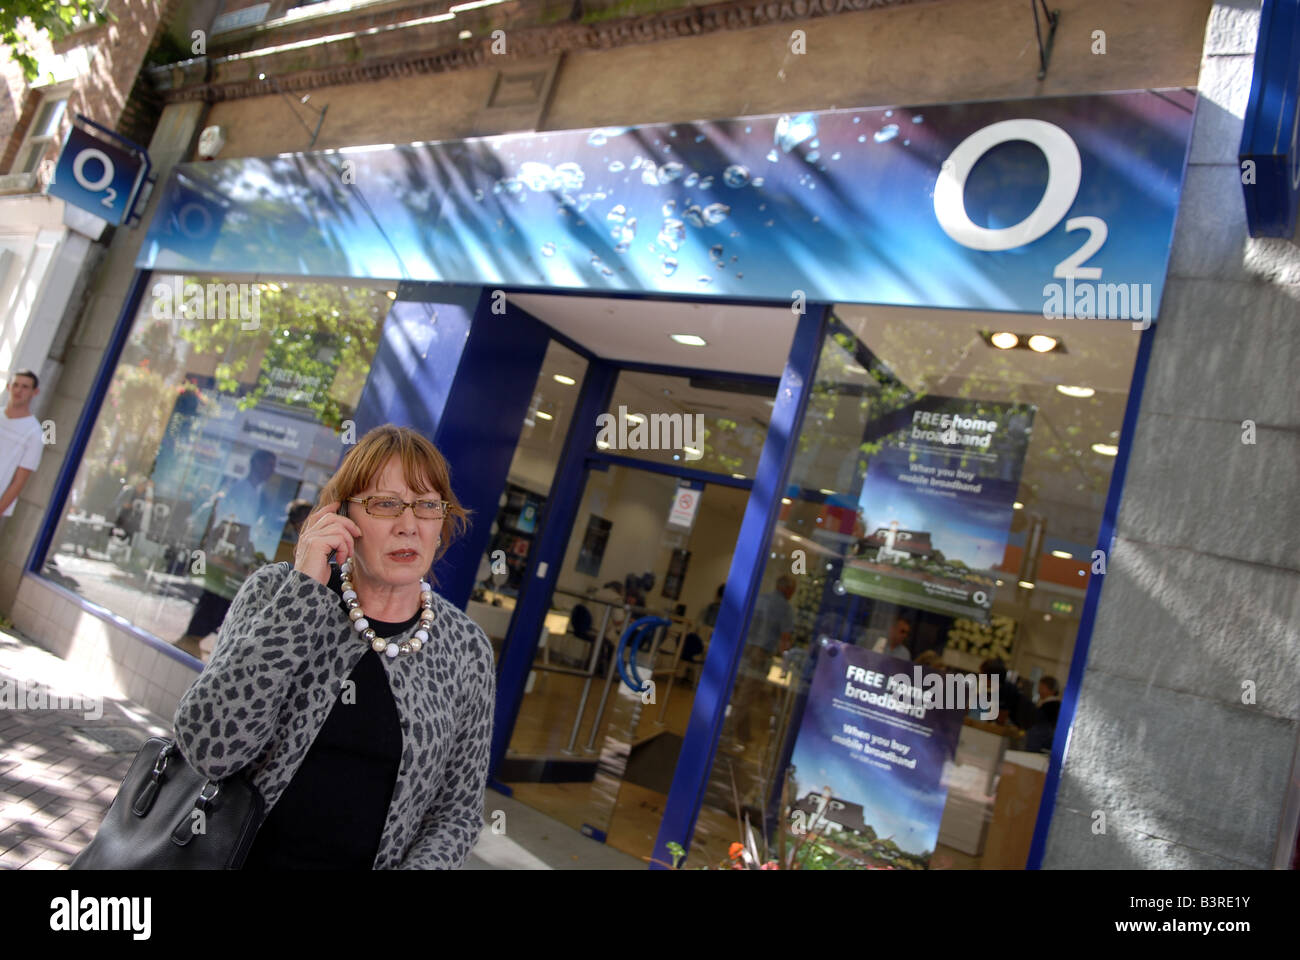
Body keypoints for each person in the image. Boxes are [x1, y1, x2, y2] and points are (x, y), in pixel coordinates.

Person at [174, 424, 495, 869]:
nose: (409, 526)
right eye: (385, 505)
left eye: (426, 506)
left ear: (442, 522)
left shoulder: (466, 649)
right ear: (342, 515)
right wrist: (303, 589)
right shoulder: (277, 593)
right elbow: (209, 748)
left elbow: (456, 814)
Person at [0, 370, 44, 522]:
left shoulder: (35, 434)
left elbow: (19, 481)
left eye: (25, 387)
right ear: (8, 387)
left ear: (35, 392)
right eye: (15, 385)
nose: (18, 390)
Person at [1024, 676, 1062, 753]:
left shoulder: (1050, 706)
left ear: (1051, 690)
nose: (1039, 691)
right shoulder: (1055, 705)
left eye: (1042, 688)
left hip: (1039, 745)